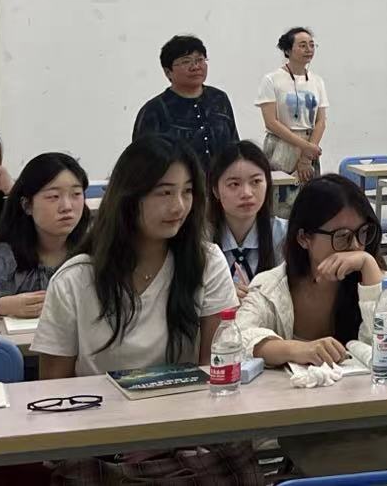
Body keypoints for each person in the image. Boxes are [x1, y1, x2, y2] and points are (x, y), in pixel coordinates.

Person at [239, 175, 387, 476]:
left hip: (373, 424)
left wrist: (369, 266)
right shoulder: (272, 287)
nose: (354, 247)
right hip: (304, 430)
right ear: (304, 238)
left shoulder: (373, 279)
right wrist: (297, 349)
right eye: (341, 236)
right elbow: (238, 337)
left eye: (363, 233)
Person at [35, 136, 236, 377]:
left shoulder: (207, 262)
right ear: (129, 196)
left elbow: (215, 371)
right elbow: (54, 388)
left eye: (187, 191)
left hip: (187, 401)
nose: (179, 206)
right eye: (165, 192)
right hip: (97, 402)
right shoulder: (74, 279)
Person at [0, 152, 91, 318]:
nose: (67, 206)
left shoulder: (95, 249)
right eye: (53, 196)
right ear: (27, 205)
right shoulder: (8, 254)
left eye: (76, 194)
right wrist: (1, 305)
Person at [131, 34, 239, 177]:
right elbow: (141, 161)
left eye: (200, 60)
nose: (195, 67)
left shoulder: (219, 99)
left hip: (221, 184)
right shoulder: (154, 110)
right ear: (168, 72)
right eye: (186, 61)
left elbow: (234, 146)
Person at [208, 142, 287, 301]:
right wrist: (220, 294)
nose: (246, 193)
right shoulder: (199, 237)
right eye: (234, 184)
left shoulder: (285, 234)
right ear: (215, 190)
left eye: (256, 182)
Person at [257, 27, 328, 183]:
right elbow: (271, 122)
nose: (309, 49)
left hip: (309, 146)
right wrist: (305, 147)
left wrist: (307, 156)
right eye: (302, 45)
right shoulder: (271, 80)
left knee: (310, 193)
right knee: (280, 194)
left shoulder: (317, 81)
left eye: (312, 45)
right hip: (281, 144)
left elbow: (321, 121)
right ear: (287, 50)